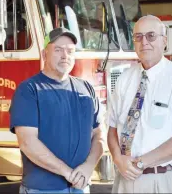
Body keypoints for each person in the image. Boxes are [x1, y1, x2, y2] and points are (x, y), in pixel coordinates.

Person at [107, 15, 172, 193]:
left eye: (151, 36)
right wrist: (117, 158)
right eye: (138, 37)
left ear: (164, 41)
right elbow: (113, 129)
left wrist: (140, 163)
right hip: (124, 179)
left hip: (163, 181)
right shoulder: (124, 79)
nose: (144, 42)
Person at [10, 27, 104, 193]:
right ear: (44, 54)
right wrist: (67, 173)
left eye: (70, 51)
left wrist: (88, 167)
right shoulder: (29, 90)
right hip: (43, 189)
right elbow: (27, 142)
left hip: (80, 187)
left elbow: (98, 135)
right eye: (58, 50)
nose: (65, 56)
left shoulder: (86, 89)